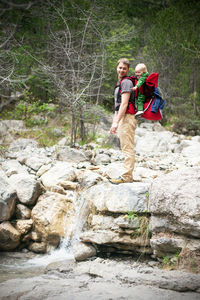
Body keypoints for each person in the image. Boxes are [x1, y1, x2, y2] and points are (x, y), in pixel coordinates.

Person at [109, 58, 138, 184]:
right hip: (123, 117)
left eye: (124, 68)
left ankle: (127, 176)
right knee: (125, 146)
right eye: (120, 67)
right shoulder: (120, 82)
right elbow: (117, 106)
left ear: (127, 70)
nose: (121, 70)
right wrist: (114, 122)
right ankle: (127, 174)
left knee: (127, 147)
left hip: (128, 117)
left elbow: (124, 104)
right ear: (117, 67)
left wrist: (116, 122)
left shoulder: (126, 83)